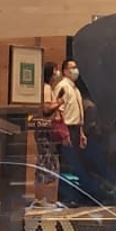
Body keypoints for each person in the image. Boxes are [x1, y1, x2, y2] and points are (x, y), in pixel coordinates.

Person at [54, 57, 88, 207]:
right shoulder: (62, 86)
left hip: (75, 128)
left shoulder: (75, 88)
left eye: (76, 67)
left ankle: (74, 195)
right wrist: (64, 133)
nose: (75, 70)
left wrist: (81, 133)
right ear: (65, 71)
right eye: (72, 68)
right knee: (66, 164)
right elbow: (59, 111)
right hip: (67, 128)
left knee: (74, 164)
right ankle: (66, 197)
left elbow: (78, 113)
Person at [29, 62, 62, 206]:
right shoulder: (47, 88)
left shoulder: (46, 87)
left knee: (46, 161)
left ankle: (44, 198)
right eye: (55, 70)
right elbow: (46, 109)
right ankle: (43, 198)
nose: (57, 73)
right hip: (45, 129)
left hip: (43, 129)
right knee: (46, 162)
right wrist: (59, 102)